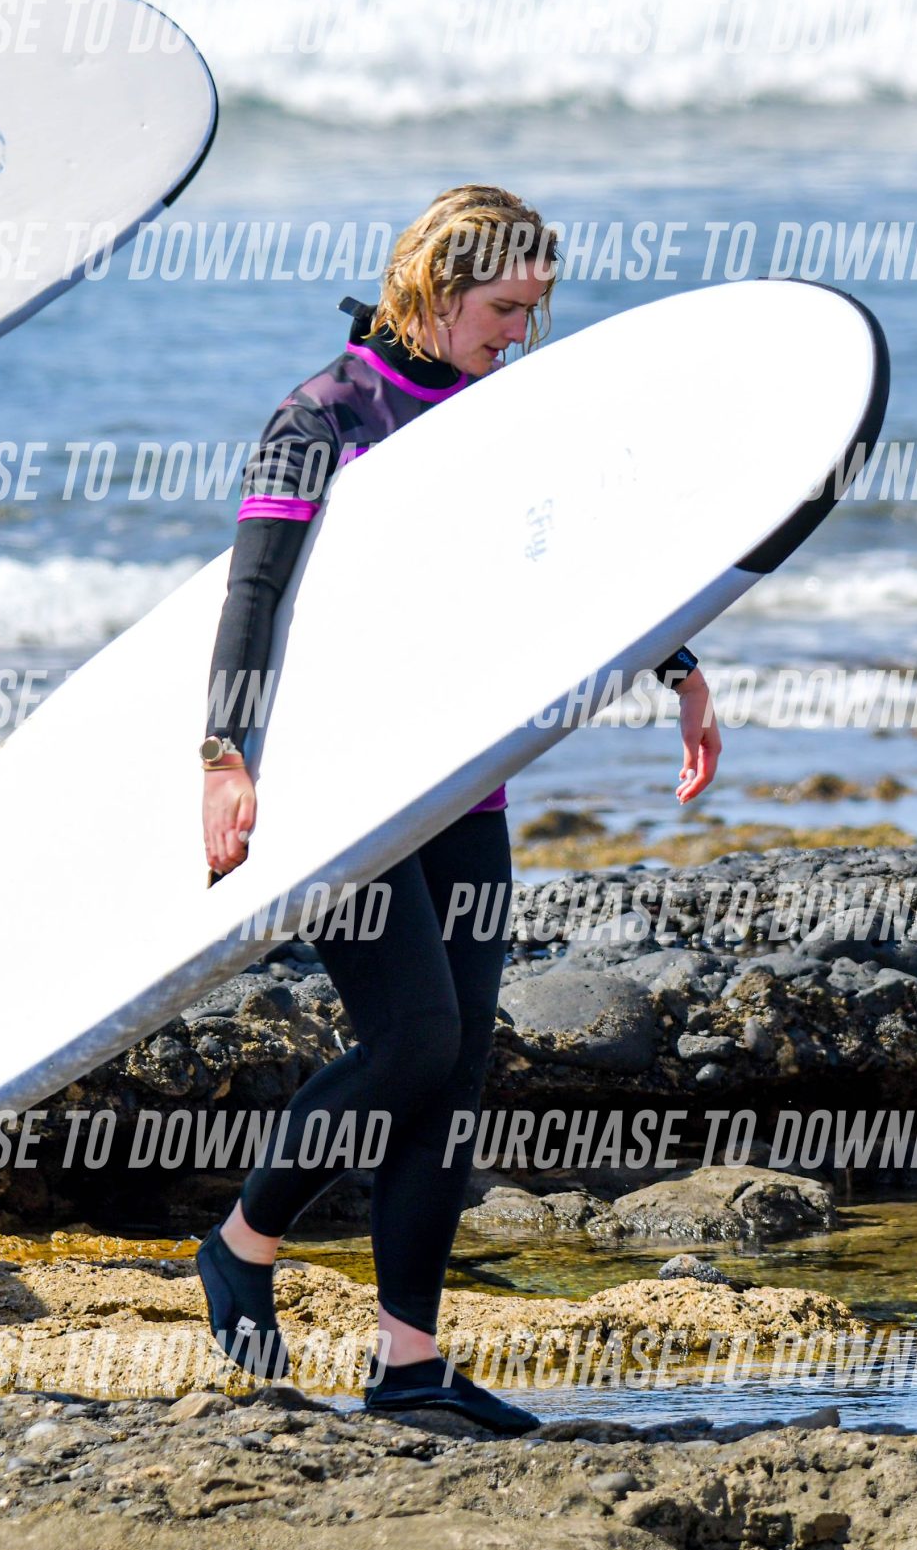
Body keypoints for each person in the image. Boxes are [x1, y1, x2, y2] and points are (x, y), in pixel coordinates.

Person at [192, 186, 722, 1435]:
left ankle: (410, 1367)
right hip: (342, 791)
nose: (519, 332)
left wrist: (682, 669)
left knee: (453, 1070)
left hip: (464, 783)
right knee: (413, 1041)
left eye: (534, 311)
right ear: (436, 288)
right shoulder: (320, 416)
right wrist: (223, 754)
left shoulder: (505, 415)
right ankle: (243, 1240)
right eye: (503, 307)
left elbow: (588, 564)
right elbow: (251, 595)